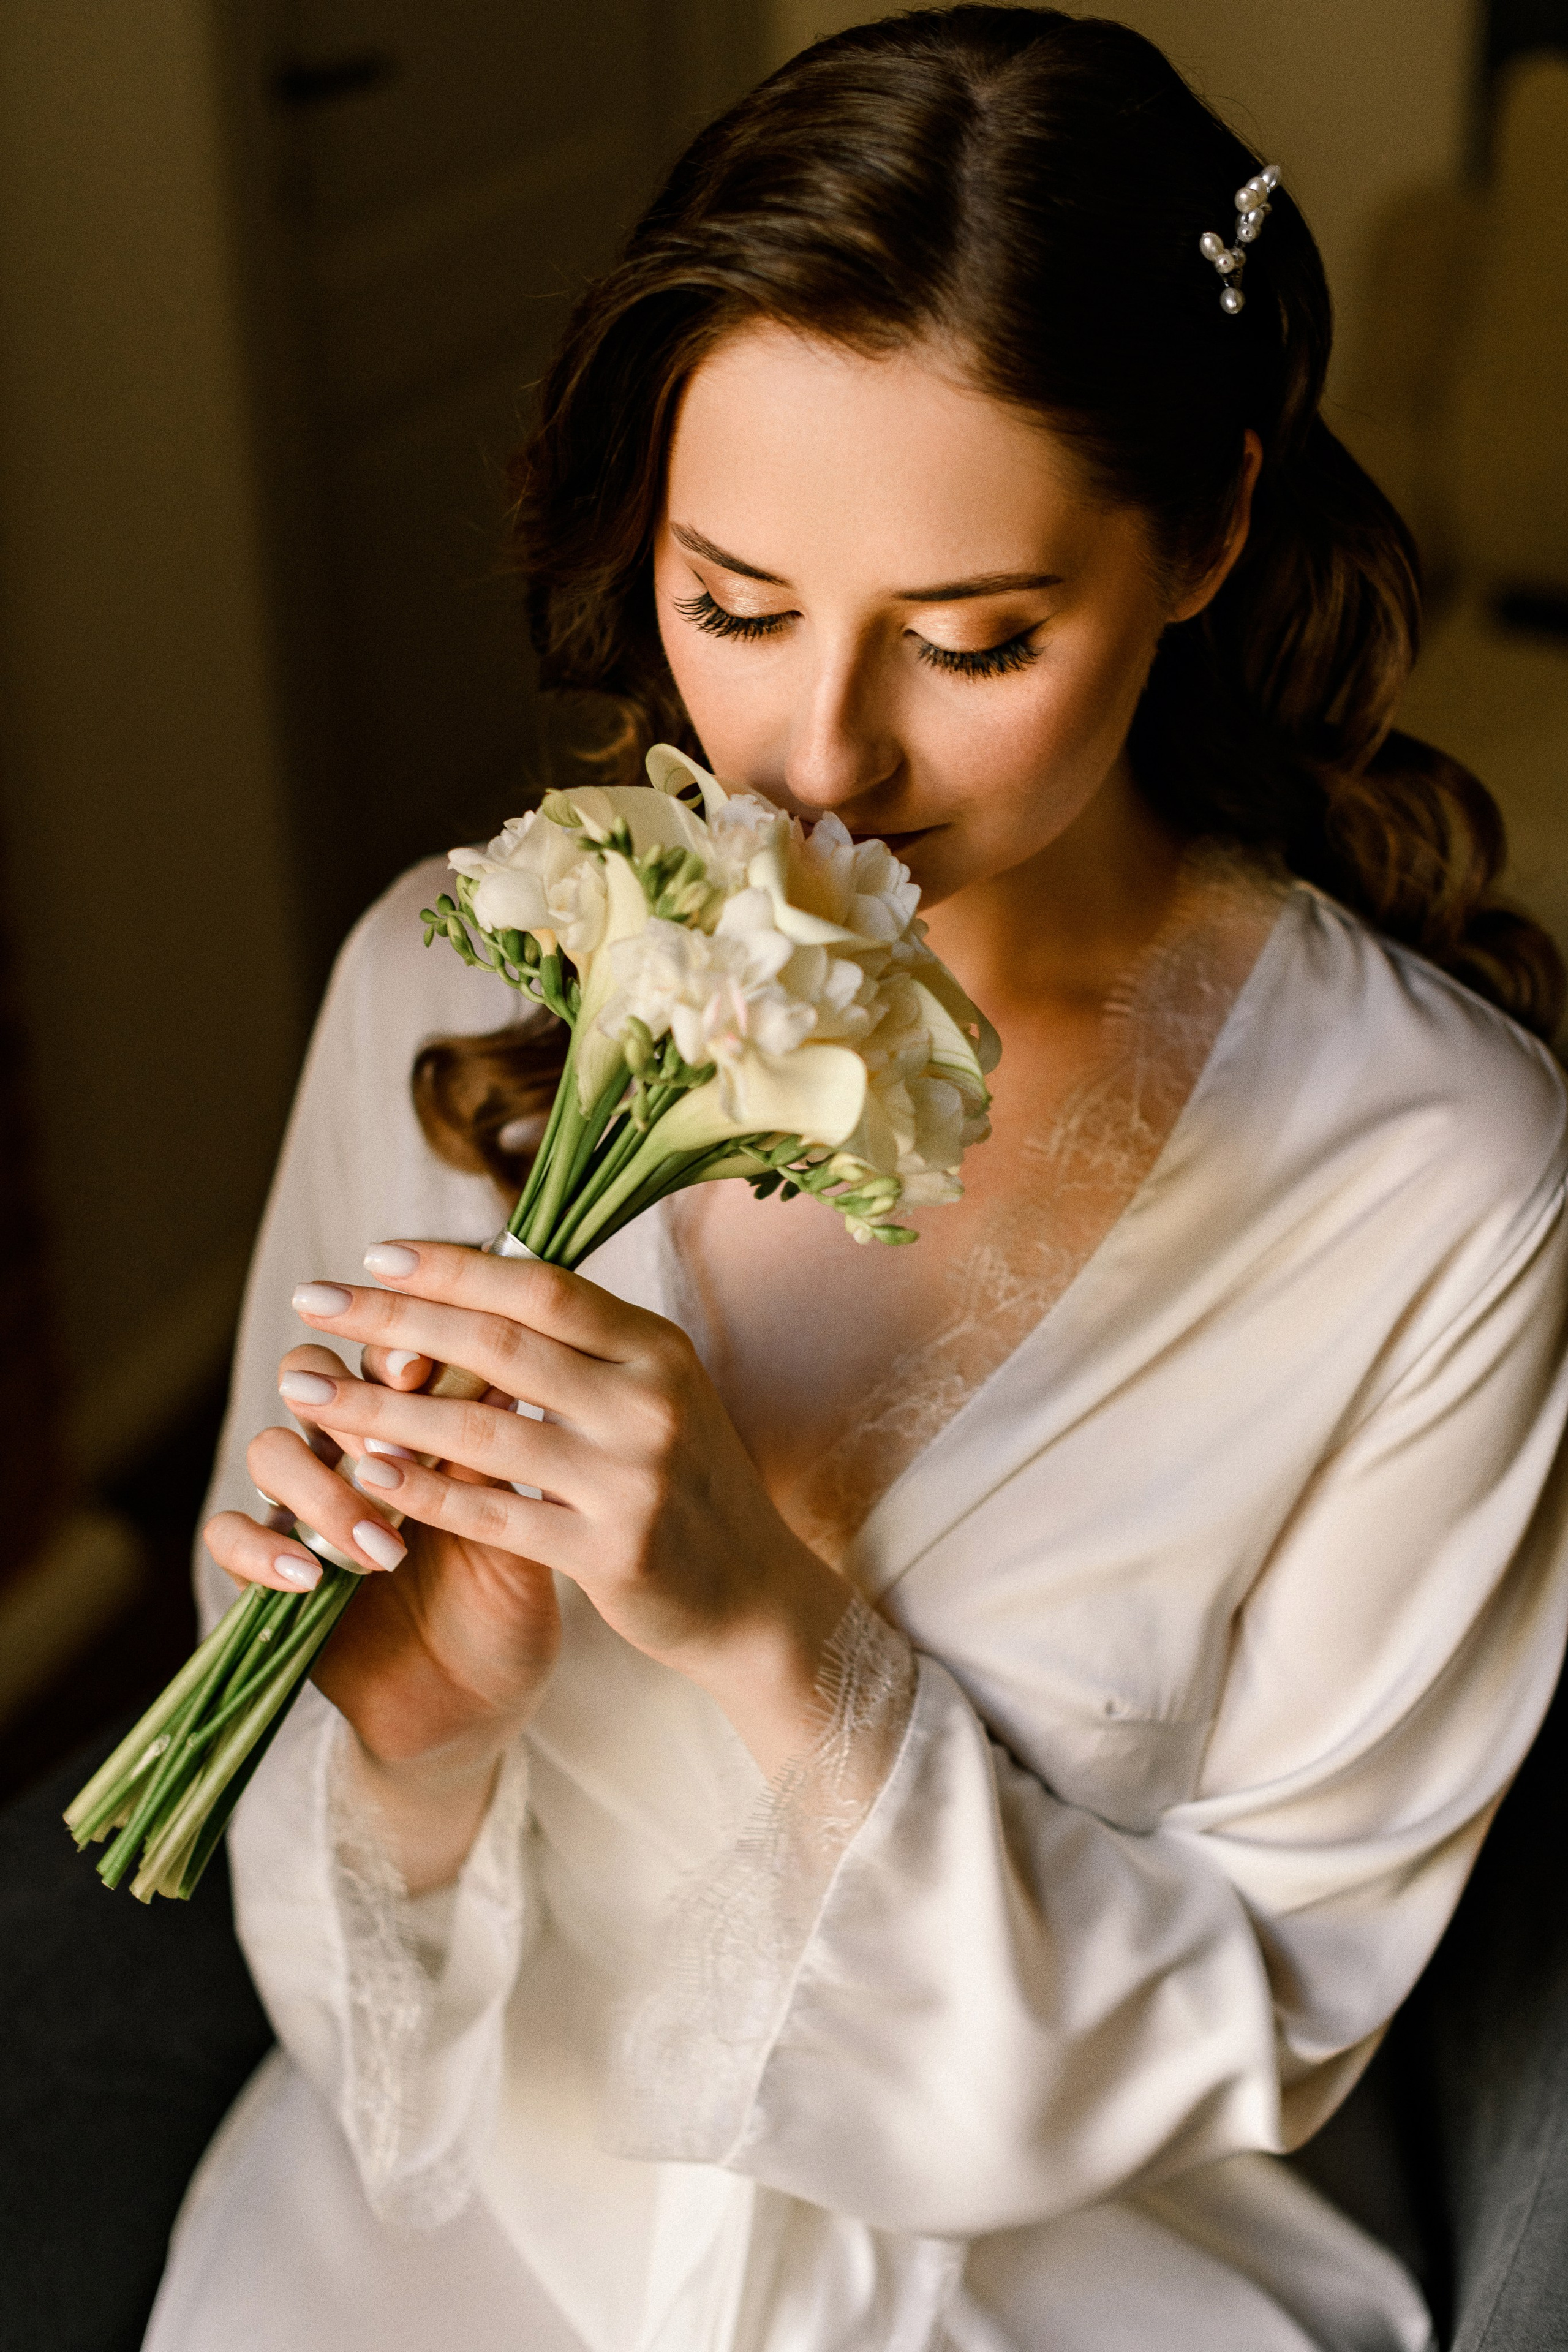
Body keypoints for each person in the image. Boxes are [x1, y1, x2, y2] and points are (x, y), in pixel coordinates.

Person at [141, 11, 1568, 2350]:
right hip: (448, 2212)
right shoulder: (436, 990)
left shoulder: (1431, 1183)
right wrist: (406, 1740)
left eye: (978, 639)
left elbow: (1284, 2000)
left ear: (1206, 527)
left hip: (1047, 2272)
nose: (815, 761)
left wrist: (762, 1624)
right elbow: (318, 1864)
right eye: (733, 604)